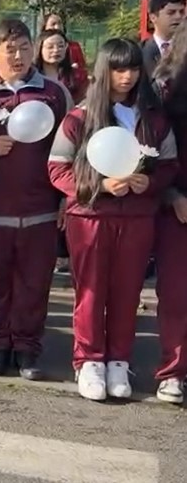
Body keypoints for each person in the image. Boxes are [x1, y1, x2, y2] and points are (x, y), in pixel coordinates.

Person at [49, 38, 178, 402]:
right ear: (103, 71)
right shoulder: (80, 116)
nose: (127, 76)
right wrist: (99, 185)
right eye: (119, 69)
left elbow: (169, 165)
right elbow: (57, 169)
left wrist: (148, 182)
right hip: (89, 217)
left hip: (138, 219)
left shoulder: (154, 119)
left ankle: (119, 360)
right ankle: (88, 360)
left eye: (134, 69)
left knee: (127, 291)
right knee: (90, 290)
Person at [0, 20, 72, 381]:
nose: (19, 55)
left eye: (25, 47)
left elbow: (72, 148)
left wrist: (64, 200)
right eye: (10, 49)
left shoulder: (54, 94)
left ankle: (27, 347)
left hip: (40, 212)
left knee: (34, 282)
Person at [149, 21, 187, 404]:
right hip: (178, 206)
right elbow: (151, 150)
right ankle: (173, 372)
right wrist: (172, 194)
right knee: (177, 293)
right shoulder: (165, 87)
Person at [143, 0, 185, 73]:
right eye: (171, 13)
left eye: (182, 12)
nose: (178, 17)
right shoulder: (141, 52)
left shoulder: (184, 48)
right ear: (153, 17)